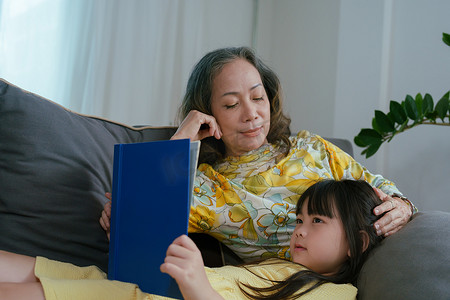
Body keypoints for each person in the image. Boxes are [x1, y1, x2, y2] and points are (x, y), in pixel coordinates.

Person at [100, 46, 416, 262]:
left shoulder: (312, 147)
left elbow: (381, 189)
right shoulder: (206, 187)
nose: (251, 114)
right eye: (231, 105)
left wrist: (401, 205)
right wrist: (182, 136)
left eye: (257, 97)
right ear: (208, 113)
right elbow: (137, 220)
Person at [0, 179, 384, 300]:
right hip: (138, 284)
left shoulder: (336, 294)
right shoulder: (280, 265)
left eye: (317, 220)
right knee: (21, 267)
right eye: (300, 218)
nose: (300, 228)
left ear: (358, 242)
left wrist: (199, 284)